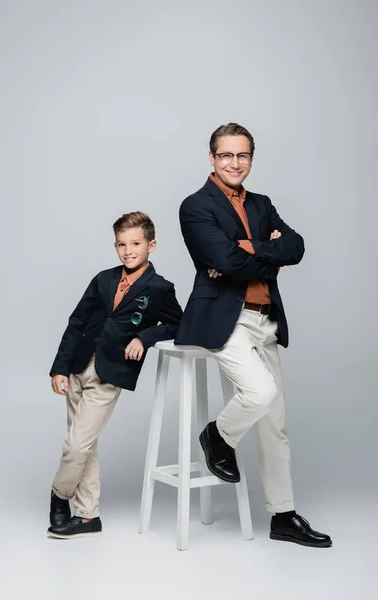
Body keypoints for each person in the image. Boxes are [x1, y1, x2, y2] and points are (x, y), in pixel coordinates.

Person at [175, 123, 332, 548]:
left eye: (242, 156)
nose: (234, 163)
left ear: (251, 159)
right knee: (258, 393)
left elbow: (296, 247)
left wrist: (247, 250)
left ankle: (283, 516)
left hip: (265, 319)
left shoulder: (261, 203)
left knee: (275, 423)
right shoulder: (195, 207)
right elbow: (223, 260)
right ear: (211, 158)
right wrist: (264, 250)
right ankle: (217, 436)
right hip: (225, 320)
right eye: (226, 155)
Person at [47, 211, 182, 539]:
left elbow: (180, 322)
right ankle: (88, 516)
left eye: (135, 243)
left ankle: (59, 497)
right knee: (86, 446)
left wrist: (144, 338)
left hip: (109, 373)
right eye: (121, 244)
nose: (128, 250)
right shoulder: (103, 279)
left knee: (77, 445)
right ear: (115, 246)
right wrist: (60, 368)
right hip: (78, 367)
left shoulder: (160, 288)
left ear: (151, 245)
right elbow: (76, 321)